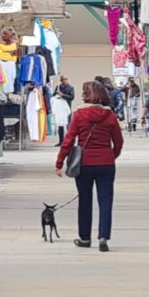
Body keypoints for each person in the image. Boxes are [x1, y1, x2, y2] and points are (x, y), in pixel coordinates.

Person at [57, 80, 125, 250]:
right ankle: (103, 237)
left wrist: (60, 162)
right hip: (106, 163)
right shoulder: (110, 116)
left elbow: (68, 140)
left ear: (86, 96)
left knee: (84, 200)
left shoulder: (79, 115)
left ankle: (85, 238)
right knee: (106, 200)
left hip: (84, 163)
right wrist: (111, 156)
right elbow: (118, 141)